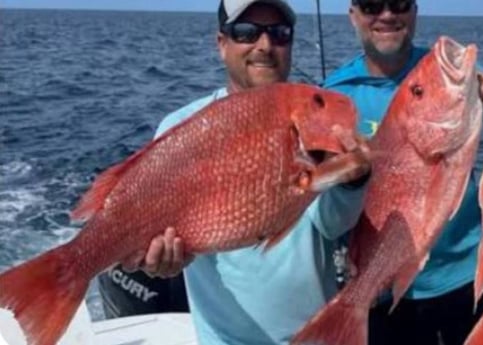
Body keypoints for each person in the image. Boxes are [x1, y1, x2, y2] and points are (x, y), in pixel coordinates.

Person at [113, 1, 370, 344]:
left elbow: (331, 223)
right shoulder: (180, 128)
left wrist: (354, 181)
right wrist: (157, 261)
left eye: (279, 34)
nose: (265, 45)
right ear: (222, 43)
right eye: (246, 32)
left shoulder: (313, 122)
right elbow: (160, 235)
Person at [321, 0, 483, 344]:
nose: (386, 15)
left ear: (414, 11)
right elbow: (328, 203)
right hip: (382, 290)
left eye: (398, 4)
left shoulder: (438, 71)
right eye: (371, 5)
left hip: (465, 277)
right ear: (353, 15)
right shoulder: (335, 93)